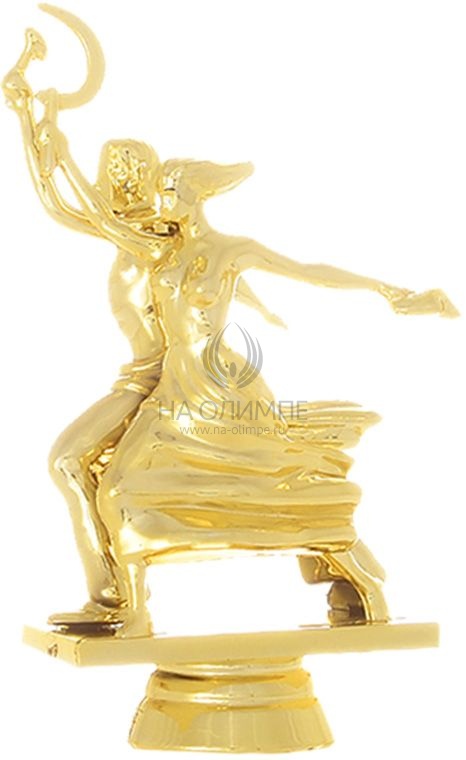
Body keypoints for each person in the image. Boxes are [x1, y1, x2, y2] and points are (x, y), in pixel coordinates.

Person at [3, 73, 284, 627]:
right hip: (135, 378)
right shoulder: (125, 230)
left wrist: (53, 137)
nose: (120, 186)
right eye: (114, 175)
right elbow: (57, 204)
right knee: (68, 462)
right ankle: (112, 596)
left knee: (77, 464)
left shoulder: (160, 239)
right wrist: (27, 122)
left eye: (129, 176)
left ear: (149, 182)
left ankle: (118, 600)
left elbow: (86, 208)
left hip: (163, 381)